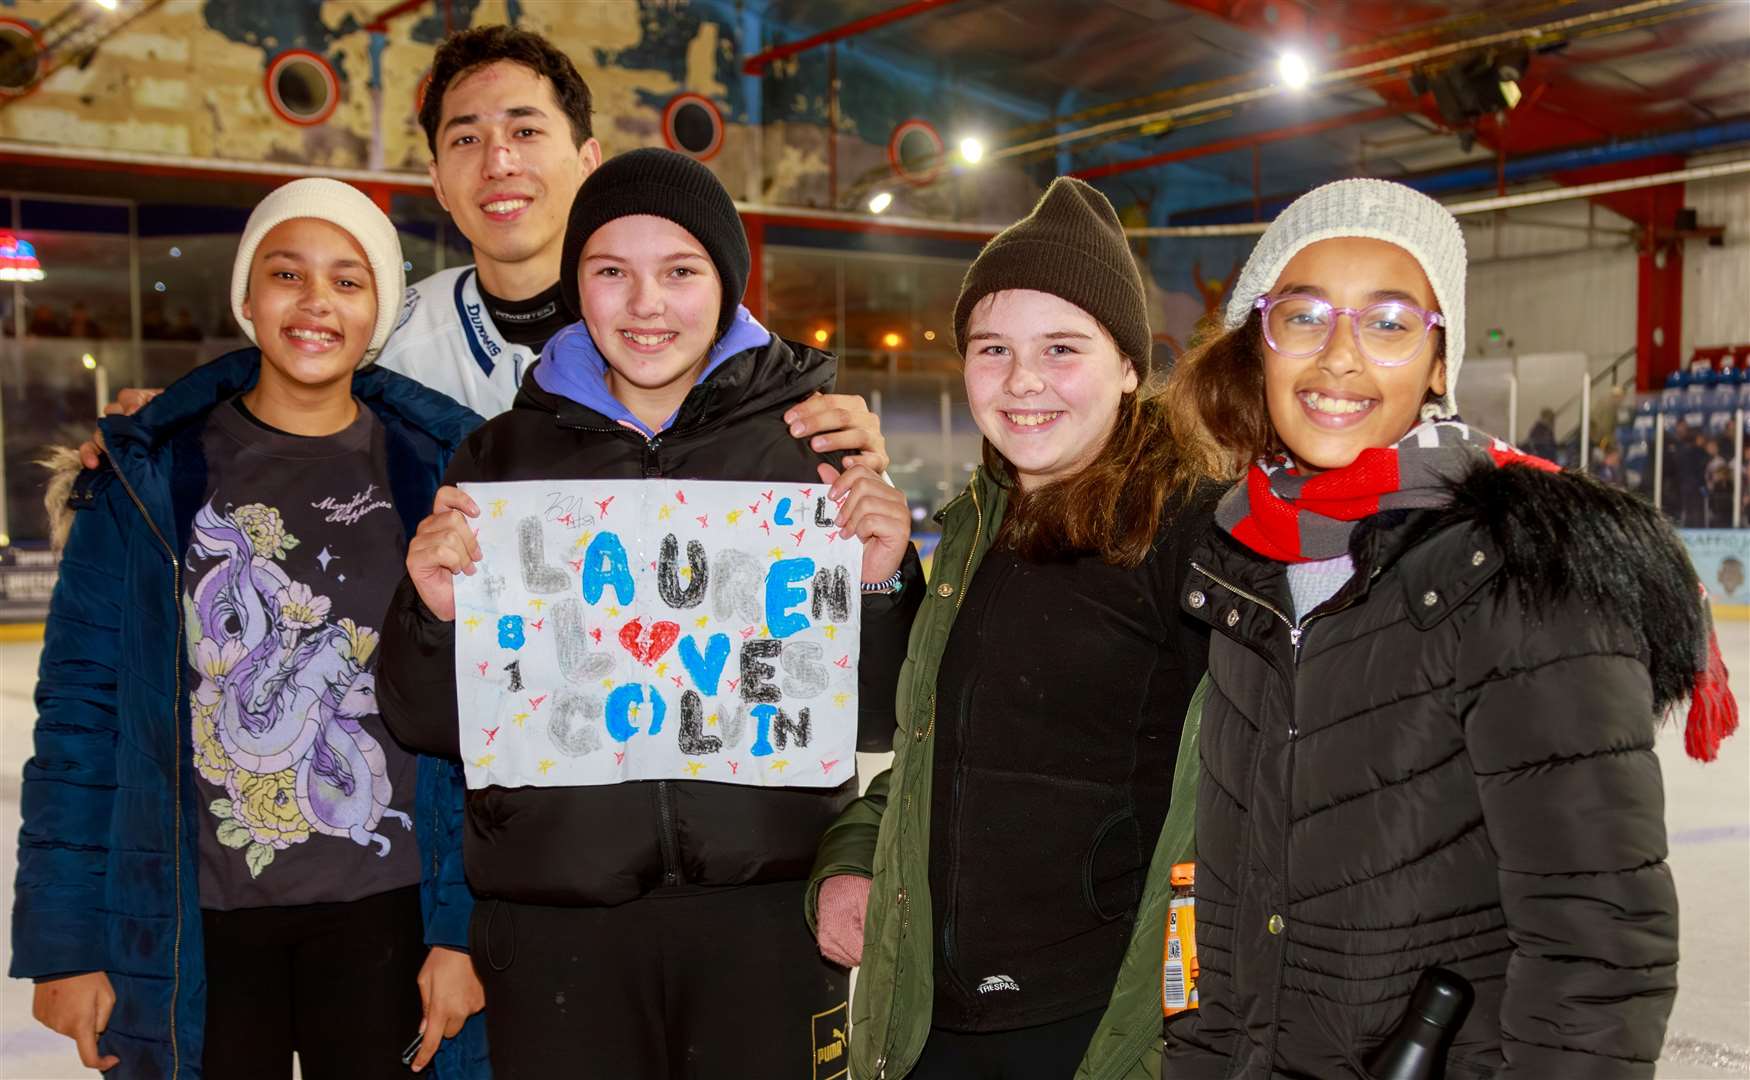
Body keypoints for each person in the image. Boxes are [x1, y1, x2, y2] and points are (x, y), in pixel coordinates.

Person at [1155, 178, 1733, 1078]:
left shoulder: (1526, 571)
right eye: (1303, 317)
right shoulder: (1244, 568)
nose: (1339, 357)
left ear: (1438, 361)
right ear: (1256, 348)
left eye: (1388, 323)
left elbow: (1598, 947)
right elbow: (1221, 909)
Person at [376, 147, 925, 1079]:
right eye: (610, 272)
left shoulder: (812, 447)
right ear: (576, 287)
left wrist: (878, 580)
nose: (645, 305)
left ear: (726, 284)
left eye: (679, 271)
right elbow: (426, 720)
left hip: (764, 918)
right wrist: (432, 614)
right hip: (558, 928)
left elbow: (878, 714)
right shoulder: (501, 458)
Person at [13, 179, 489, 1079]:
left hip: (387, 915)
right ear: (247, 296)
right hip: (203, 923)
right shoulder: (149, 484)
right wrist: (67, 940)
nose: (316, 303)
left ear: (379, 310)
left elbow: (485, 729)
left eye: (349, 282)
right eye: (287, 273)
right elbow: (80, 718)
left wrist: (464, 932)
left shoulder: (443, 478)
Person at [806, 178, 1221, 1080]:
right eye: (993, 349)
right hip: (932, 1018)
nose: (1023, 381)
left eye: (1061, 348)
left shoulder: (1195, 536)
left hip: (1092, 1028)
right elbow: (928, 753)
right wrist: (846, 862)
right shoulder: (973, 530)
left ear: (1126, 366)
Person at [77, 25, 889, 482]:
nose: (498, 161)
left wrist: (851, 471)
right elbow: (274, 427)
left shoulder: (701, 346)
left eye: (526, 131)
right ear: (435, 178)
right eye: (467, 138)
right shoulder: (385, 340)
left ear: (588, 158)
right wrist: (173, 426)